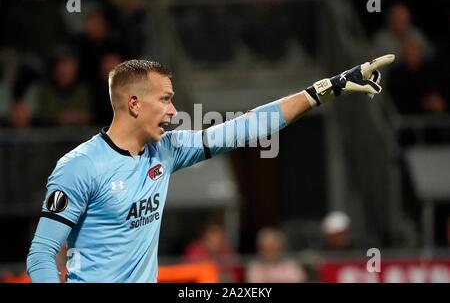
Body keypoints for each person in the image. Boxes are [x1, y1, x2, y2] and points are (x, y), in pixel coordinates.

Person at [26, 55, 395, 282]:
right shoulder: (80, 167)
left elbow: (244, 127)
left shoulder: (165, 151)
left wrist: (320, 92)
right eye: (166, 100)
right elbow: (41, 254)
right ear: (134, 103)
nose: (173, 111)